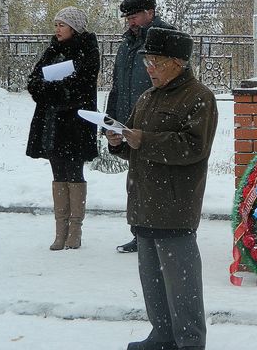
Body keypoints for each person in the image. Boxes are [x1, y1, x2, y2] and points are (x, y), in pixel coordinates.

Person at [106, 27, 218, 350]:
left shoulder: (200, 97)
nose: (149, 69)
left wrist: (144, 140)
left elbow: (194, 147)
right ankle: (162, 335)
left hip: (175, 209)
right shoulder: (147, 98)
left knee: (182, 287)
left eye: (155, 62)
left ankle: (189, 342)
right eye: (146, 62)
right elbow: (135, 143)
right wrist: (119, 141)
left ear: (177, 62)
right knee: (153, 285)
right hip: (143, 205)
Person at [26, 6, 99, 250]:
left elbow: (82, 84)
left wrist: (54, 90)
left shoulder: (87, 49)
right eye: (56, 24)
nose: (57, 29)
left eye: (62, 25)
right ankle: (60, 230)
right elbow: (34, 82)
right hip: (51, 123)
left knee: (74, 172)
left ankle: (75, 230)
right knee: (58, 172)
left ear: (75, 28)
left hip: (75, 123)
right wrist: (51, 90)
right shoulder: (51, 49)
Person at [107, 0, 174, 254]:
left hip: (155, 120)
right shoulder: (127, 44)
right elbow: (118, 86)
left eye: (134, 17)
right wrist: (111, 121)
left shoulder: (165, 38)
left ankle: (162, 232)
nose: (130, 22)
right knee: (136, 182)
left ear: (150, 12)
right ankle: (141, 233)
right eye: (127, 18)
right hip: (130, 119)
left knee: (157, 181)